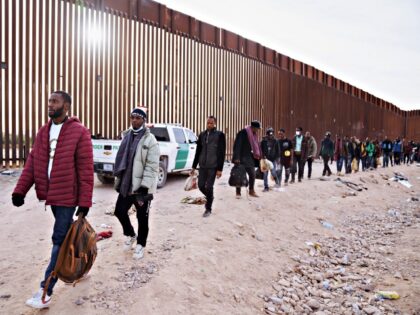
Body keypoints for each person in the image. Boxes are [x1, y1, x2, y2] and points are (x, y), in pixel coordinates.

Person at [11, 91, 93, 309]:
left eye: (54, 101)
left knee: (60, 240)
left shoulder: (79, 132)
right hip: (50, 195)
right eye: (48, 101)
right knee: (69, 237)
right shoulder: (44, 131)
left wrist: (85, 201)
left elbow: (85, 170)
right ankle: (84, 263)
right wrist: (20, 190)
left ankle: (45, 290)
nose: (49, 104)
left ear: (66, 106)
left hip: (68, 196)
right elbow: (32, 163)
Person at [113, 108, 159, 260]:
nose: (134, 120)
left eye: (138, 118)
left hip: (141, 187)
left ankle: (141, 245)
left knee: (142, 217)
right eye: (132, 117)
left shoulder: (149, 139)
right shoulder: (126, 136)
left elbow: (152, 165)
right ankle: (131, 234)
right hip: (126, 184)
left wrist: (145, 186)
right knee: (119, 211)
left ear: (144, 120)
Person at [191, 116, 226, 217]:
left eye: (211, 123)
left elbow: (222, 152)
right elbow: (198, 151)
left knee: (209, 187)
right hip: (203, 165)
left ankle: (208, 208)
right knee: (201, 185)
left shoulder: (220, 135)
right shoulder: (202, 135)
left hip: (213, 166)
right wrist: (194, 166)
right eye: (208, 123)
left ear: (215, 124)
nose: (209, 125)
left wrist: (220, 169)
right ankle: (210, 198)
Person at [232, 120, 262, 198]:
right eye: (257, 128)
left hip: (249, 158)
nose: (258, 130)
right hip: (241, 158)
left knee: (252, 174)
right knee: (239, 175)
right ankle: (238, 193)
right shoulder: (242, 133)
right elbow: (237, 145)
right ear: (253, 127)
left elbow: (256, 146)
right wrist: (237, 157)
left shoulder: (254, 134)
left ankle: (251, 190)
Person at [261, 127, 280, 191]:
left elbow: (278, 150)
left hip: (273, 159)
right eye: (269, 133)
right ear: (267, 134)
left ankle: (277, 182)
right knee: (265, 174)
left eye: (272, 133)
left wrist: (277, 158)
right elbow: (261, 149)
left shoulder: (276, 141)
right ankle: (266, 187)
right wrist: (262, 157)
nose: (271, 135)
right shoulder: (263, 141)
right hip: (265, 160)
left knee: (273, 172)